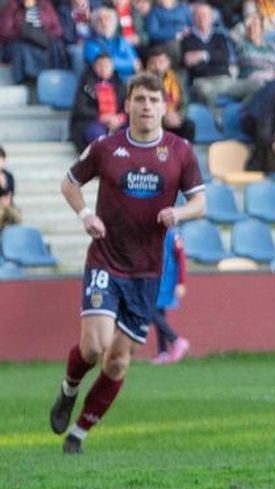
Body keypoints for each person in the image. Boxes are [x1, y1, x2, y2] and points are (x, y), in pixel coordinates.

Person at [52, 72, 207, 454]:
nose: (147, 107)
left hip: (147, 271)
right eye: (140, 99)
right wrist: (86, 215)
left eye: (154, 100)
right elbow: (69, 183)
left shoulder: (180, 151)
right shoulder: (106, 147)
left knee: (118, 362)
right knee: (95, 347)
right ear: (128, 105)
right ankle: (69, 389)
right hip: (106, 260)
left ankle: (78, 434)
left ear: (164, 107)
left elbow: (200, 203)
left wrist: (178, 213)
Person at [69, 54, 128, 152]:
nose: (103, 68)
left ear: (112, 67)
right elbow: (81, 108)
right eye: (100, 65)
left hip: (116, 122)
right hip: (92, 122)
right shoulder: (86, 85)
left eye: (106, 65)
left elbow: (127, 107)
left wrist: (119, 118)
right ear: (94, 67)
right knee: (99, 138)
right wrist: (101, 117)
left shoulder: (120, 84)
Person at [151, 227, 190, 365]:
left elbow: (181, 258)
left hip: (166, 280)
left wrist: (181, 282)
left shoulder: (172, 235)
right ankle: (163, 352)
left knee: (151, 311)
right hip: (154, 279)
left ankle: (176, 340)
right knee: (159, 314)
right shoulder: (153, 232)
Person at [143, 45, 196, 142]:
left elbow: (184, 102)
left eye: (161, 62)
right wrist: (164, 118)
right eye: (154, 63)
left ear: (168, 62)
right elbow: (145, 106)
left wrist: (179, 116)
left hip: (174, 117)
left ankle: (185, 150)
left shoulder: (176, 79)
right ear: (148, 64)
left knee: (189, 126)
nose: (158, 66)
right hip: (155, 121)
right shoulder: (143, 82)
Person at [0, 145, 21, 230]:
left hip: (8, 204)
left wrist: (7, 199)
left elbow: (11, 191)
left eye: (1, 159)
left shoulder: (9, 176)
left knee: (15, 214)